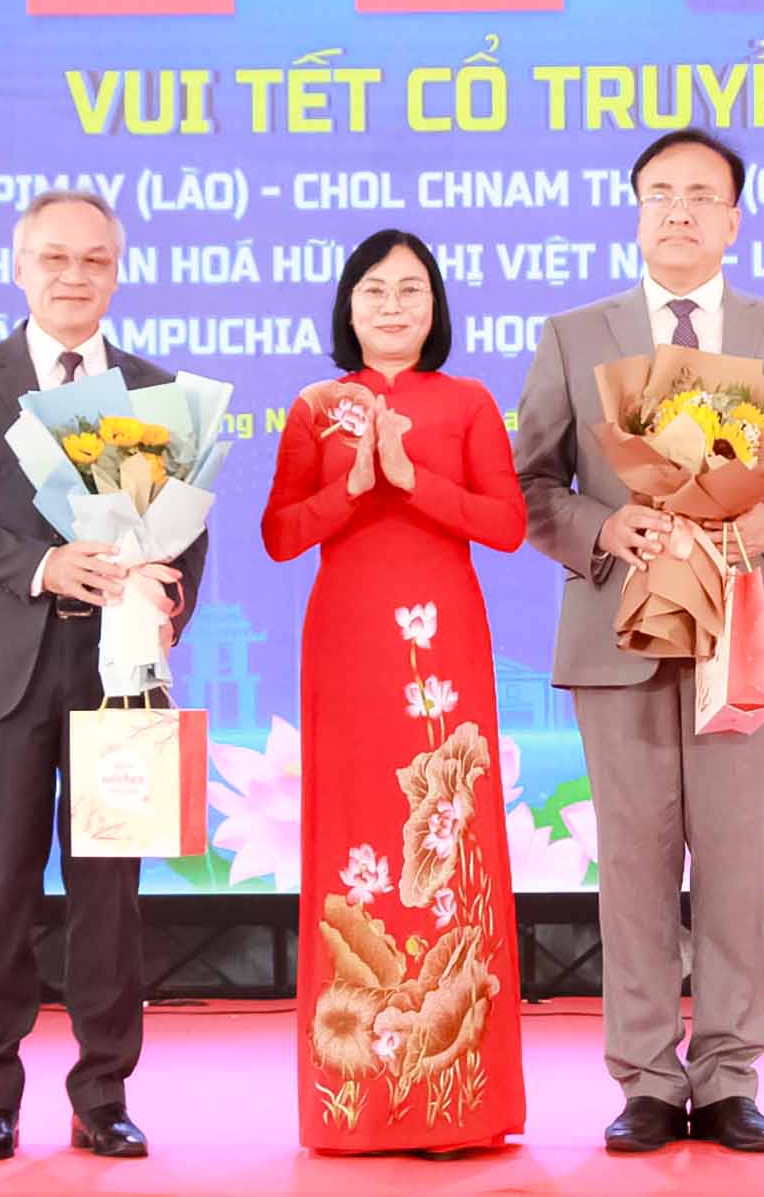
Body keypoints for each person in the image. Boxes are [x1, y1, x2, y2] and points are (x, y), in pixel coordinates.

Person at [515, 129, 764, 1154]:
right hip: (617, 636)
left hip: (746, 640)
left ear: (731, 220)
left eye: (698, 195)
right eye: (657, 193)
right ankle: (640, 1078)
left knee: (732, 862)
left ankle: (725, 1079)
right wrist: (600, 528)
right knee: (627, 863)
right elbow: (530, 483)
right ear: (634, 212)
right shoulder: (575, 336)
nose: (676, 210)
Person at [0, 189, 207, 1161]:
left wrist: (163, 599)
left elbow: (182, 539)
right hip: (0, 672)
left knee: (111, 893)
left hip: (122, 677)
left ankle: (103, 1092)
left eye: (94, 261)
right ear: (20, 267)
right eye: (56, 259)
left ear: (116, 271)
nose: (75, 277)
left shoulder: (151, 394)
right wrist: (42, 566)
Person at [261, 229, 527, 1154]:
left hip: (442, 637)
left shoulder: (468, 400)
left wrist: (415, 485)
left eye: (411, 290)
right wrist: (356, 489)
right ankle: (360, 1104)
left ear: (435, 306)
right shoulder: (313, 406)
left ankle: (460, 1099)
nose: (392, 306)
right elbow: (281, 534)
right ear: (347, 305)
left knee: (445, 836)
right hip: (346, 641)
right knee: (357, 839)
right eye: (374, 290)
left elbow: (506, 523)